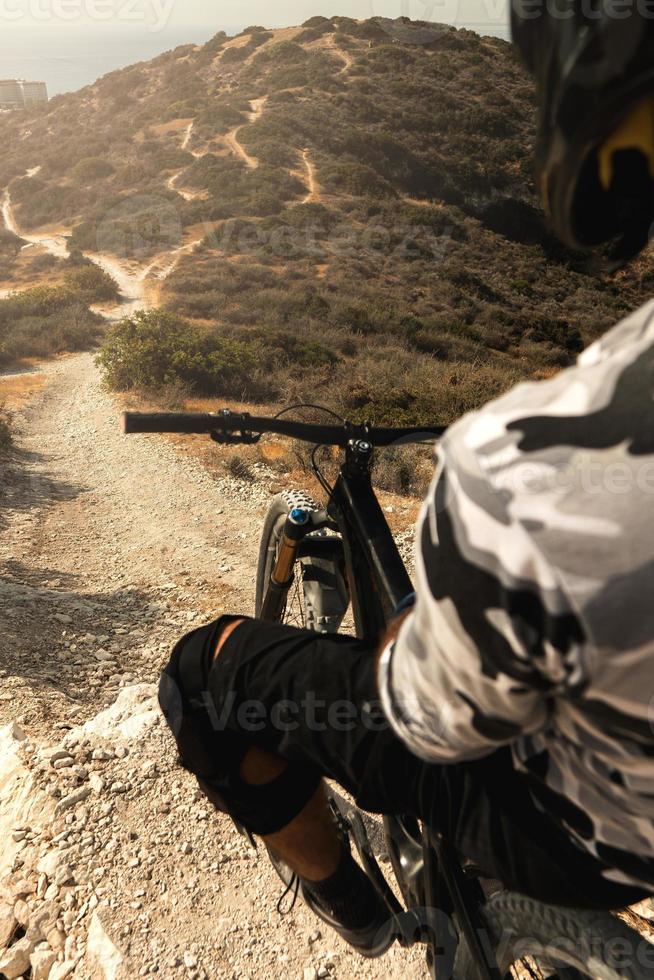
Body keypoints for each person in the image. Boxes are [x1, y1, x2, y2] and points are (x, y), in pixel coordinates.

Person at [158, 7, 654, 958]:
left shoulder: (532, 465)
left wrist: (419, 629)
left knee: (201, 672)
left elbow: (432, 716)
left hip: (584, 835)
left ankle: (357, 908)